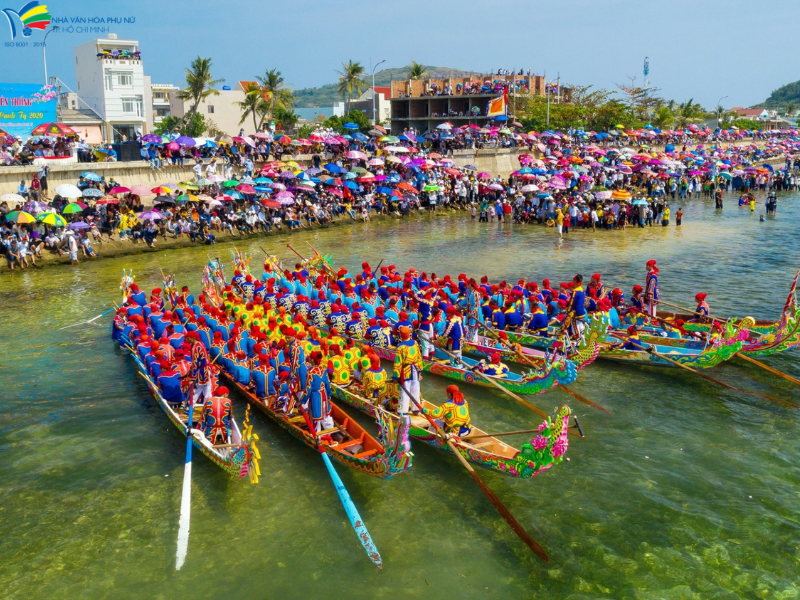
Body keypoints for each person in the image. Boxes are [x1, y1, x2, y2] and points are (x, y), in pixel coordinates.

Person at [392, 325, 423, 415]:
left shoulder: (400, 347)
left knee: (405, 391)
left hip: (406, 370)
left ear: (401, 335)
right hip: (415, 369)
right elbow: (419, 357)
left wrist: (396, 377)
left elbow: (398, 363)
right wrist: (420, 371)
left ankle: (403, 411)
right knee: (416, 389)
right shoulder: (415, 343)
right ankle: (416, 410)